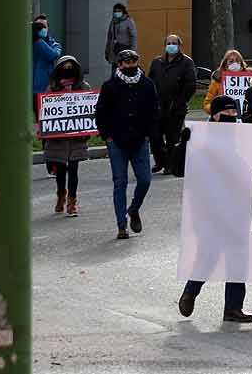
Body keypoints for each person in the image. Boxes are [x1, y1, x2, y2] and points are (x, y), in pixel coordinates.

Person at [177, 94, 252, 323]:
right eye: (227, 113)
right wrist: (184, 144)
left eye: (234, 112)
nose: (232, 116)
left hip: (236, 205)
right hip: (208, 207)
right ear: (215, 115)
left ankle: (233, 307)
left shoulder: (243, 136)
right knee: (210, 253)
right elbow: (179, 168)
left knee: (238, 256)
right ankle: (191, 291)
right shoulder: (200, 137)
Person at [94, 48, 158, 240]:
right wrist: (107, 137)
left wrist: (148, 135)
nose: (131, 65)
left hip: (140, 141)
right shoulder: (110, 86)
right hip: (117, 142)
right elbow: (101, 113)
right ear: (119, 65)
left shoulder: (147, 84)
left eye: (134, 62)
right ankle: (121, 225)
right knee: (119, 183)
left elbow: (154, 111)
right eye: (127, 62)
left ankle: (134, 209)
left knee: (145, 180)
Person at [41, 55, 88, 217]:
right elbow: (45, 112)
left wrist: (86, 132)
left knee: (74, 170)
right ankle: (61, 194)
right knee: (60, 171)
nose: (68, 71)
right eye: (64, 68)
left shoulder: (83, 87)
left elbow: (89, 112)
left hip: (76, 138)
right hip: (58, 139)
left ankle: (72, 201)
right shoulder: (52, 89)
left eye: (71, 68)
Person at [147, 34, 196, 173]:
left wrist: (179, 102)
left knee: (172, 138)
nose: (171, 45)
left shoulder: (187, 62)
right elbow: (150, 81)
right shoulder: (157, 62)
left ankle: (170, 164)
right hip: (157, 106)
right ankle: (160, 160)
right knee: (155, 136)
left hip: (176, 107)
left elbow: (190, 85)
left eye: (174, 43)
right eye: (169, 43)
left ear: (179, 46)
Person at [204, 49, 250, 113]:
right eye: (231, 61)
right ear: (225, 64)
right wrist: (217, 110)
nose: (235, 63)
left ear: (241, 64)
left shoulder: (250, 80)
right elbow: (207, 104)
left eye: (237, 61)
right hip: (224, 118)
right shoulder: (217, 81)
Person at [32, 16, 62, 104]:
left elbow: (52, 55)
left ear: (48, 28)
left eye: (44, 26)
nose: (41, 29)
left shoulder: (54, 44)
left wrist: (38, 40)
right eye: (38, 26)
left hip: (45, 91)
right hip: (27, 90)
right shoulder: (27, 43)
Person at [104, 2, 137, 67]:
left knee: (125, 71)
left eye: (119, 11)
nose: (117, 13)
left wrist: (133, 52)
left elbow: (134, 37)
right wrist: (107, 52)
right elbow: (109, 38)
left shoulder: (129, 21)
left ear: (123, 11)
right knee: (115, 72)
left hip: (126, 53)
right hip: (114, 52)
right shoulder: (113, 22)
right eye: (115, 11)